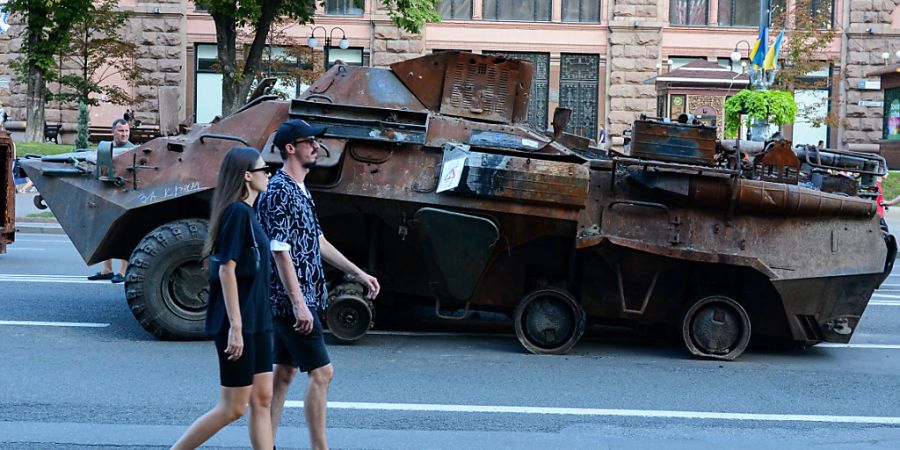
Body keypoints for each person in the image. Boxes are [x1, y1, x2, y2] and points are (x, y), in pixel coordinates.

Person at [257, 119, 380, 450]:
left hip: (300, 296)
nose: (317, 146)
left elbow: (317, 241)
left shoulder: (300, 189)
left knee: (284, 373)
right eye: (310, 141)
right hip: (291, 299)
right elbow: (279, 251)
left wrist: (358, 273)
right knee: (322, 373)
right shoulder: (279, 191)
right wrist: (298, 303)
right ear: (290, 148)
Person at [172, 146, 274, 450]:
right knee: (233, 407)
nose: (268, 173)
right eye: (263, 169)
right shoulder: (237, 212)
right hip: (238, 321)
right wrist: (236, 327)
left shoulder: (250, 212)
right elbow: (227, 270)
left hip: (259, 319)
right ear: (246, 176)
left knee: (262, 397)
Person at [87, 119, 136, 283]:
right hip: (107, 194)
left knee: (125, 234)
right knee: (103, 232)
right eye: (121, 131)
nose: (124, 134)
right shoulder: (105, 149)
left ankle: (122, 272)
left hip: (125, 196)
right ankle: (106, 269)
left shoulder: (133, 150)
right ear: (113, 132)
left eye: (126, 131)